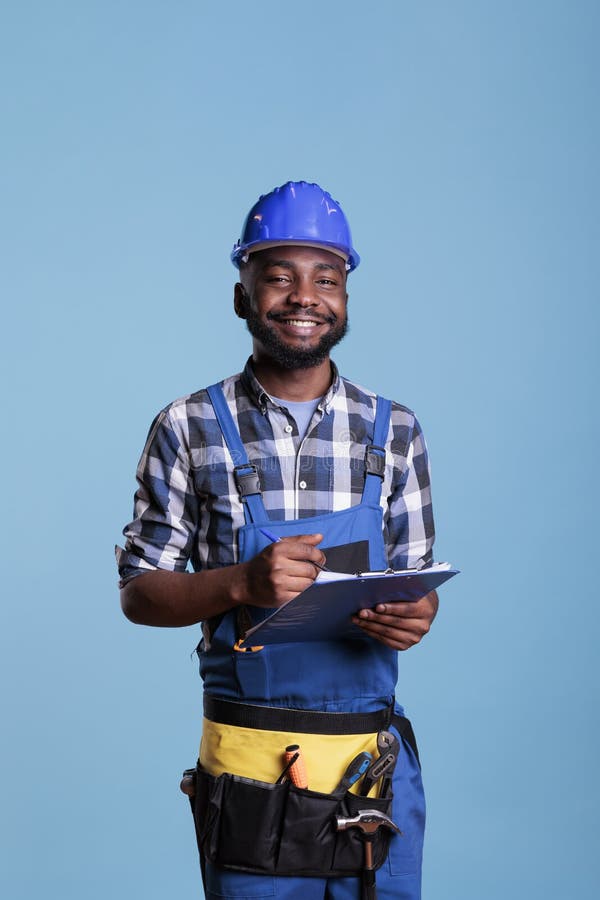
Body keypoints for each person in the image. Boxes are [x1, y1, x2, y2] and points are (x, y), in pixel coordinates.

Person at [117, 181, 439, 900]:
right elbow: (139, 593)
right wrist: (240, 583)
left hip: (368, 771)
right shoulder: (188, 426)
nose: (305, 297)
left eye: (326, 279)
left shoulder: (396, 431)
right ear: (242, 296)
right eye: (279, 277)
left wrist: (417, 615)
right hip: (250, 773)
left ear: (345, 298)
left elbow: (418, 587)